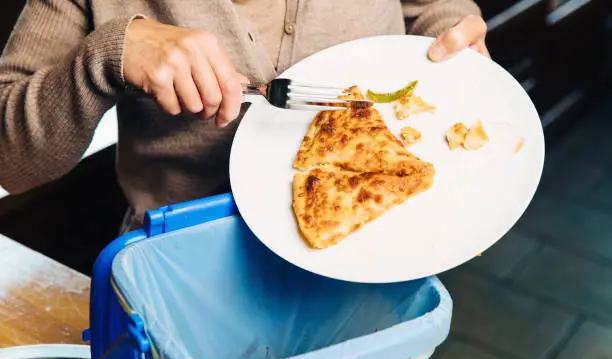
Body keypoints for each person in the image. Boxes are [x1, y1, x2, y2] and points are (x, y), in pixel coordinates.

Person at [0, 0, 488, 233]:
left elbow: (436, 10)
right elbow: (9, 161)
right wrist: (106, 56)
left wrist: (452, 34)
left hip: (380, 249)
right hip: (184, 277)